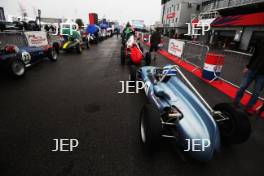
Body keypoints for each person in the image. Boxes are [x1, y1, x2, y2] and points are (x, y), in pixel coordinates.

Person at [234, 38, 264, 114]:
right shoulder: (261, 41)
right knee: (242, 87)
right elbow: (254, 56)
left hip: (262, 75)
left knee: (256, 93)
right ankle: (235, 102)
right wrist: (247, 66)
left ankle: (248, 107)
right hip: (252, 69)